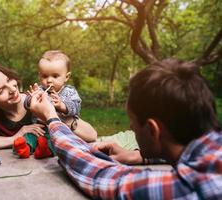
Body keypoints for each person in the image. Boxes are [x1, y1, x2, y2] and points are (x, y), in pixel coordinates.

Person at [29, 58, 222, 199]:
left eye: (133, 123)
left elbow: (100, 177)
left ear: (153, 131)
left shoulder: (188, 189)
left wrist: (51, 118)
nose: (131, 127)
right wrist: (139, 156)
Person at [0, 61, 97, 155]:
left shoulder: (36, 101)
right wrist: (14, 138)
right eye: (1, 90)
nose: (12, 89)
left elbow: (92, 135)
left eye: (9, 80)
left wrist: (50, 114)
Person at [27, 50, 97, 141]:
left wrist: (62, 106)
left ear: (66, 77)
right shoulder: (39, 90)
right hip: (41, 129)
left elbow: (76, 106)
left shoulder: (69, 92)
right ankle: (26, 146)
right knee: (30, 138)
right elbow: (28, 105)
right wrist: (31, 99)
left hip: (63, 130)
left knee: (64, 140)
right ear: (40, 75)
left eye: (55, 76)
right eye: (45, 76)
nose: (49, 80)